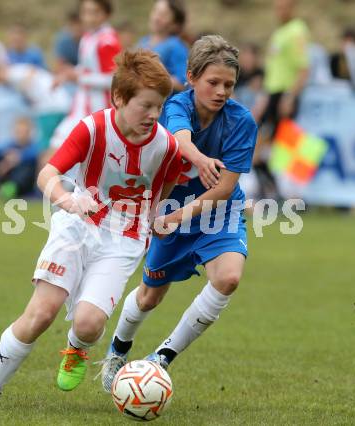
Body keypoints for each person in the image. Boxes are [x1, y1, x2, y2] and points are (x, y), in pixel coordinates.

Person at [0, 49, 182, 411]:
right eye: (146, 106)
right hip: (76, 225)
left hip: (123, 239)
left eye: (159, 106)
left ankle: (77, 347)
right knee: (41, 313)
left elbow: (166, 185)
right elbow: (47, 173)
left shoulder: (166, 146)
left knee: (90, 324)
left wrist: (156, 215)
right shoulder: (92, 128)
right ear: (119, 99)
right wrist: (68, 200)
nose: (154, 115)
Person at [101, 35, 258, 392]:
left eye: (229, 85)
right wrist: (200, 161)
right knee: (149, 296)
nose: (221, 92)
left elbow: (221, 188)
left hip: (217, 211)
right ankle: (117, 351)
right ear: (190, 77)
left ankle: (162, 358)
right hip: (171, 206)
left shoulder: (242, 121)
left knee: (229, 277)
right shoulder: (176, 106)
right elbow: (180, 140)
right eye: (213, 82)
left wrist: (176, 218)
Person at [255, 0, 310, 199]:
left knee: (284, 149)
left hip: (283, 95)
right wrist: (263, 99)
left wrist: (290, 96)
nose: (279, 10)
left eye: (283, 6)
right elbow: (272, 71)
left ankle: (291, 197)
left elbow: (304, 69)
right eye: (277, 6)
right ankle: (276, 194)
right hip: (272, 95)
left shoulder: (297, 30)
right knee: (263, 149)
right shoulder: (279, 33)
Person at [49, 0, 121, 150]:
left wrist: (78, 77)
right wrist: (67, 74)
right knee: (58, 148)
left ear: (106, 14)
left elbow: (114, 78)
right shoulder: (88, 36)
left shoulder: (107, 41)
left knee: (60, 149)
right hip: (81, 104)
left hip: (98, 109)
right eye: (86, 12)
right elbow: (87, 67)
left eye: (95, 12)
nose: (90, 17)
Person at [138, 0, 189, 92]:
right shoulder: (143, 41)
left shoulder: (176, 46)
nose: (156, 17)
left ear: (175, 23)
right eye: (155, 11)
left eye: (164, 15)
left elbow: (184, 84)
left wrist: (157, 77)